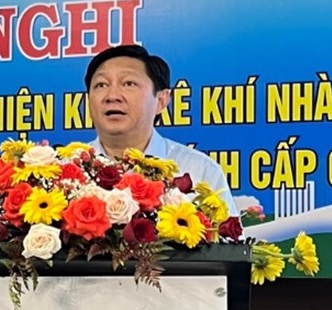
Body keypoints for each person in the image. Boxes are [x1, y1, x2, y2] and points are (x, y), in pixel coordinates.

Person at [83, 44, 239, 220]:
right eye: (101, 85)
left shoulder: (201, 171)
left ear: (161, 101)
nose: (112, 96)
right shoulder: (65, 169)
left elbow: (226, 237)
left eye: (128, 83)